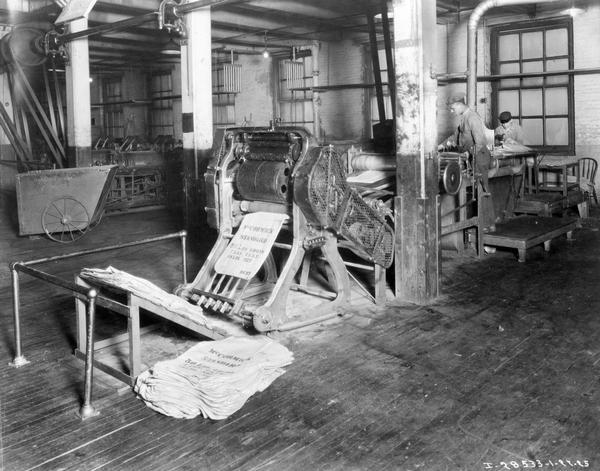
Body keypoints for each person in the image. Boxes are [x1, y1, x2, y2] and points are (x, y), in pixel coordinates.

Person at [439, 92, 492, 197]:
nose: (452, 111)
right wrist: (441, 146)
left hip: (479, 157)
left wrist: (468, 153)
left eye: (453, 108)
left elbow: (480, 143)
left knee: (482, 188)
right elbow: (455, 136)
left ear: (459, 104)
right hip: (470, 157)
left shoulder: (472, 117)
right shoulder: (464, 118)